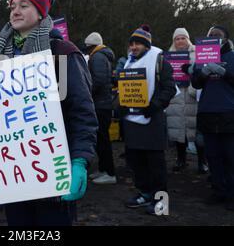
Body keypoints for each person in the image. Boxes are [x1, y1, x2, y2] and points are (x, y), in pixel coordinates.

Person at [0, 0, 98, 225]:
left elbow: (81, 111)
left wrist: (79, 160)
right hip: (12, 174)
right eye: (12, 7)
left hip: (53, 170)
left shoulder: (61, 53)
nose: (15, 11)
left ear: (41, 12)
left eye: (24, 5)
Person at [120, 27, 176, 215]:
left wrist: (155, 105)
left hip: (152, 120)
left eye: (138, 43)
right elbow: (122, 89)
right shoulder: (128, 63)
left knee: (156, 166)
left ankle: (161, 202)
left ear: (146, 45)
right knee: (137, 163)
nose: (134, 47)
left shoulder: (161, 62)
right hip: (132, 121)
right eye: (132, 43)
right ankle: (144, 193)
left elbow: (169, 89)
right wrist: (119, 104)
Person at [191, 25, 234, 211]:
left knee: (231, 157)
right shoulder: (202, 57)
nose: (214, 37)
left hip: (229, 113)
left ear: (226, 39)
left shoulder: (232, 57)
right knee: (213, 156)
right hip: (208, 112)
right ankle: (219, 191)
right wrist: (203, 72)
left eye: (218, 35)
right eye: (211, 35)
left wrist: (226, 73)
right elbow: (195, 83)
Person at [165, 28, 208, 174]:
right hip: (176, 97)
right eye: (177, 39)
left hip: (193, 96)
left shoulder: (198, 53)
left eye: (183, 38)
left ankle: (202, 161)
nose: (180, 41)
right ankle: (181, 159)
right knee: (179, 130)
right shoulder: (168, 56)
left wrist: (194, 87)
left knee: (197, 130)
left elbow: (203, 72)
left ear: (188, 39)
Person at [84, 32, 117, 184]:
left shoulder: (97, 57)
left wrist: (85, 94)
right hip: (103, 103)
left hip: (100, 105)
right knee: (100, 139)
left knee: (102, 139)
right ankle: (103, 169)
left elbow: (97, 81)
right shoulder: (102, 56)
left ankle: (109, 173)